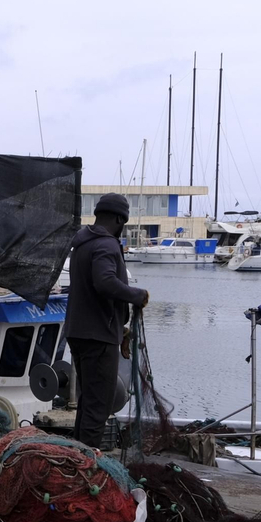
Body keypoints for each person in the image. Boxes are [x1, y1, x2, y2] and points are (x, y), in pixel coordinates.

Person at [63, 193, 150, 450]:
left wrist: (120, 327)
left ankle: (77, 457)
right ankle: (85, 467)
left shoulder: (82, 244)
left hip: (80, 332)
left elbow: (91, 292)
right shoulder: (107, 244)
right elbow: (104, 282)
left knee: (88, 402)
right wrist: (138, 295)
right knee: (99, 405)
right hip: (98, 337)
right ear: (119, 219)